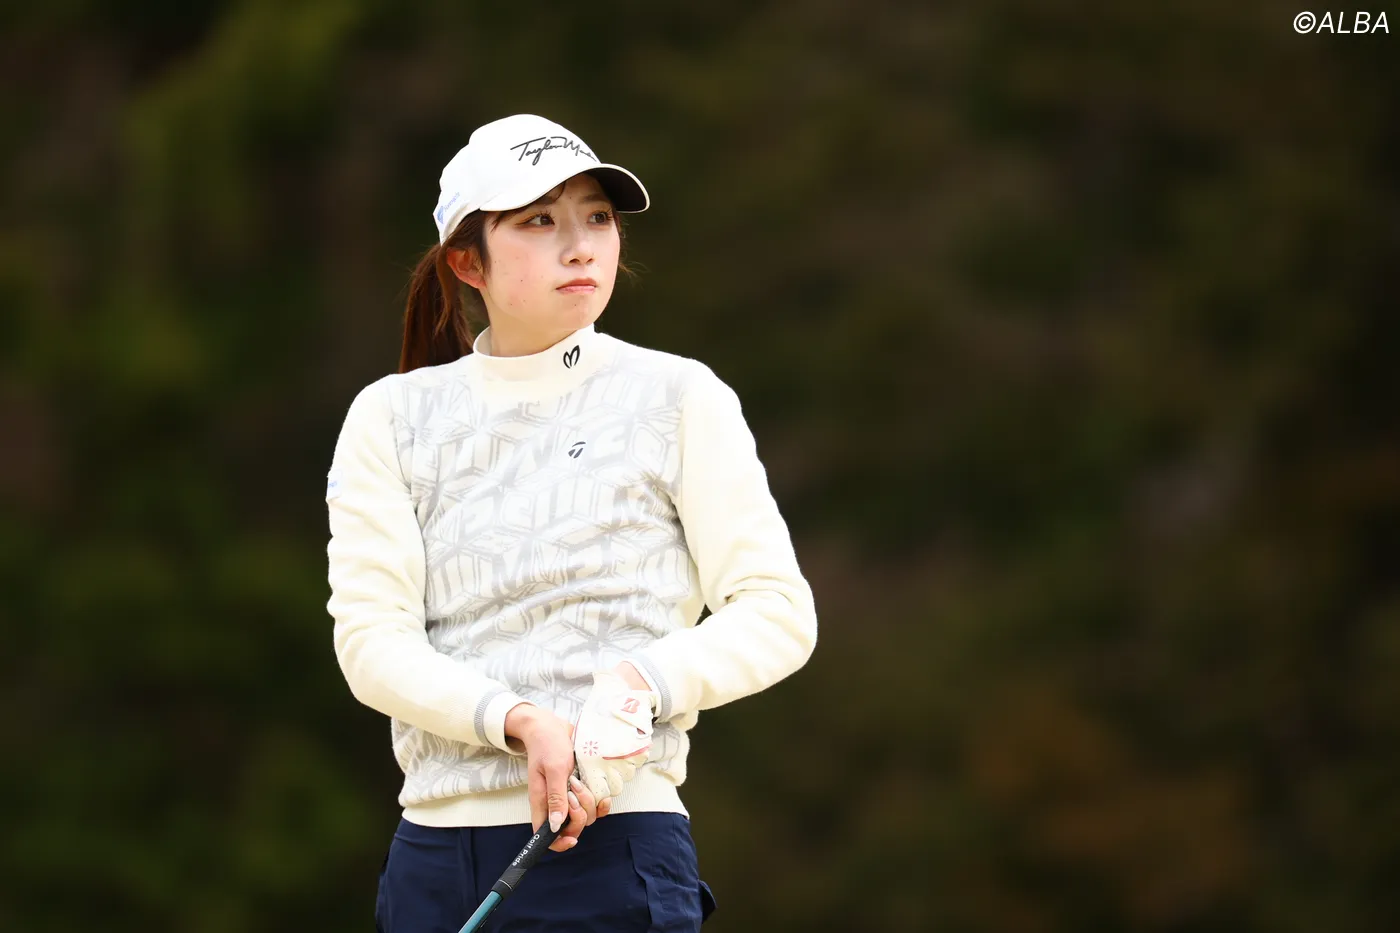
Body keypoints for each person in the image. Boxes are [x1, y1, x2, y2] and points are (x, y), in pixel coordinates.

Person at [325, 113, 818, 932]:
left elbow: (777, 610)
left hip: (615, 848)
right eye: (538, 221)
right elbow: (372, 644)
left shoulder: (680, 397)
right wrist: (517, 720)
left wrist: (641, 684)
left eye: (597, 217)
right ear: (467, 261)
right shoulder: (391, 416)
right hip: (435, 862)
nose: (581, 246)